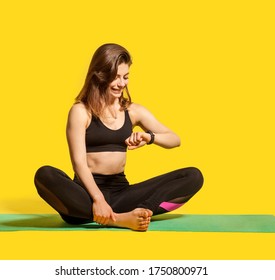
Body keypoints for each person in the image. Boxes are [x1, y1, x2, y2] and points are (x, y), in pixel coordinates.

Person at [34, 43, 203, 231]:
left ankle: (141, 212)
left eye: (126, 77)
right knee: (44, 175)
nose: (122, 83)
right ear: (99, 75)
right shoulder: (81, 112)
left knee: (193, 176)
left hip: (122, 194)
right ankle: (119, 219)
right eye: (115, 77)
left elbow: (174, 139)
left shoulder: (133, 110)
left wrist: (149, 137)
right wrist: (98, 199)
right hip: (85, 198)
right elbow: (79, 163)